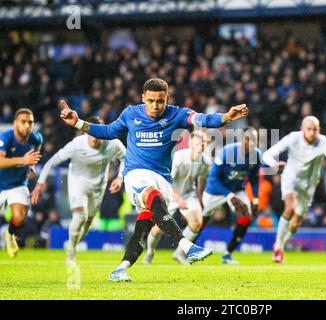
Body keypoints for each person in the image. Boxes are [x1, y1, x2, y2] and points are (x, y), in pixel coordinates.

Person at [59, 78, 248, 281]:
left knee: (144, 227)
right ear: (143, 98)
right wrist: (78, 123)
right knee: (152, 196)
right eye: (150, 101)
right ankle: (188, 247)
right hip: (135, 174)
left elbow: (202, 119)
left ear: (167, 98)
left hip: (163, 178)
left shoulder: (177, 114)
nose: (155, 106)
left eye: (160, 101)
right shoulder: (131, 114)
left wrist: (227, 117)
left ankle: (120, 269)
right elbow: (108, 131)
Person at [31, 116, 125, 264]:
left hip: (98, 186)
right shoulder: (76, 145)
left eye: (97, 133)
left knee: (88, 222)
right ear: (84, 132)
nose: (94, 137)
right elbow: (51, 162)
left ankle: (73, 243)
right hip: (77, 182)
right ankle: (71, 251)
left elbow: (127, 159)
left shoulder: (113, 144)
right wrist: (40, 183)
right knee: (80, 216)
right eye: (90, 133)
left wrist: (120, 177)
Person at [262, 116, 326, 263]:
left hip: (309, 184)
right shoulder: (293, 138)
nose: (312, 133)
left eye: (315, 129)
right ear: (302, 129)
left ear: (319, 130)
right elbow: (267, 154)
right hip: (290, 177)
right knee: (290, 208)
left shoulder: (323, 142)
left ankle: (282, 245)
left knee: (296, 222)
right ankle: (278, 246)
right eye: (309, 129)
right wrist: (273, 164)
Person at [143, 130, 210, 265]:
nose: (201, 146)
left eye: (204, 144)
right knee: (158, 229)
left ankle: (179, 253)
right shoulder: (179, 157)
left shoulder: (206, 162)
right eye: (198, 143)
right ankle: (150, 251)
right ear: (190, 143)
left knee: (196, 223)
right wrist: (178, 200)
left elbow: (201, 183)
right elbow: (167, 182)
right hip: (170, 193)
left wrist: (201, 202)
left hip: (189, 195)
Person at [200, 128, 263, 264]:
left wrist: (256, 200)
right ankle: (183, 250)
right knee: (199, 221)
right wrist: (229, 196)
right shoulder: (226, 152)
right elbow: (213, 179)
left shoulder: (257, 155)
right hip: (216, 190)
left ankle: (227, 254)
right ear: (241, 139)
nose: (251, 143)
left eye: (254, 140)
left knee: (246, 215)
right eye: (247, 139)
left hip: (237, 190)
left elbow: (254, 179)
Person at [0, 108, 42, 258]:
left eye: (30, 122)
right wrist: (23, 161)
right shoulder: (5, 137)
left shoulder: (36, 138)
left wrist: (31, 166)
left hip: (18, 184)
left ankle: (10, 234)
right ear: (15, 123)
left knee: (20, 217)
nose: (27, 126)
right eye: (23, 122)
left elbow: (36, 152)